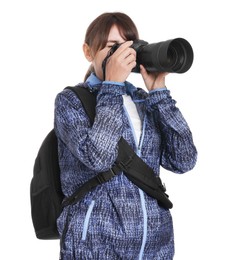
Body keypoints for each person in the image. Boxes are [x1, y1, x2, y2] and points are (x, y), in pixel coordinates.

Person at [54, 12, 197, 260]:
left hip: (155, 246)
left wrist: (159, 93)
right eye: (112, 47)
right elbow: (98, 157)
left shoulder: (143, 100)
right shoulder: (71, 101)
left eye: (128, 46)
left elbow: (184, 160)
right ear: (88, 52)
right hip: (95, 248)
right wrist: (111, 87)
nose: (122, 55)